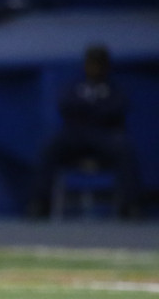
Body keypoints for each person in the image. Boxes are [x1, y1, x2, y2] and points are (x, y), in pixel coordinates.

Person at [28, 43, 141, 219]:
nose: (94, 68)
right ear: (85, 65)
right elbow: (66, 105)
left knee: (124, 149)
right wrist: (93, 110)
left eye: (99, 64)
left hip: (104, 136)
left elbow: (116, 109)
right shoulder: (76, 85)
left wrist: (89, 110)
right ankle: (40, 203)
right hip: (76, 135)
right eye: (91, 63)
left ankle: (131, 206)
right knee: (50, 147)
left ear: (106, 66)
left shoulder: (113, 88)